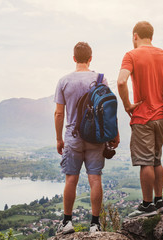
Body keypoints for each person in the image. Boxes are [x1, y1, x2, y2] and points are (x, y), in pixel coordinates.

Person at [54, 42, 120, 234]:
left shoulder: (64, 81)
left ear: (74, 58)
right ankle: (95, 224)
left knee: (71, 179)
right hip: (96, 138)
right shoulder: (100, 79)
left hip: (73, 137)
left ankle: (67, 222)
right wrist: (115, 133)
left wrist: (59, 139)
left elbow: (59, 114)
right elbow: (109, 111)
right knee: (95, 179)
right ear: (91, 58)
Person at [117, 21, 163, 217]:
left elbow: (122, 80)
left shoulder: (131, 55)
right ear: (152, 36)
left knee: (146, 162)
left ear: (135, 36)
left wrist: (127, 104)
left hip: (143, 116)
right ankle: (160, 201)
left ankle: (147, 205)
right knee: (157, 159)